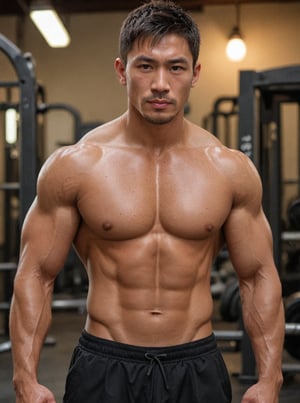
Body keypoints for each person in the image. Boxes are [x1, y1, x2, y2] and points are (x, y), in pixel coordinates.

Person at [10, 1, 284, 402]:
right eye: (145, 66)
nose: (160, 83)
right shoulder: (77, 166)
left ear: (195, 74)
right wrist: (25, 377)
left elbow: (258, 275)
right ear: (122, 71)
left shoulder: (229, 169)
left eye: (175, 67)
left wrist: (269, 378)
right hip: (105, 364)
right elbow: (35, 273)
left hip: (196, 364)